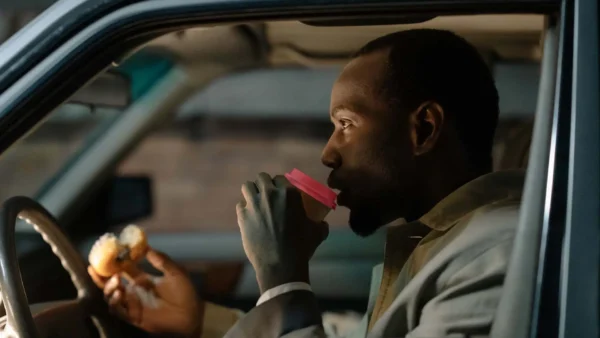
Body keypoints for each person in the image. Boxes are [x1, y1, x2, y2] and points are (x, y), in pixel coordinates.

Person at [89, 28, 525, 337]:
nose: (328, 153)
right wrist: (200, 320)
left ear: (424, 129)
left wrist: (283, 278)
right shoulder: (440, 244)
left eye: (347, 123)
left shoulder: (494, 256)